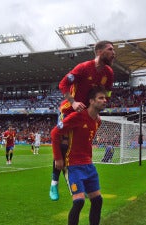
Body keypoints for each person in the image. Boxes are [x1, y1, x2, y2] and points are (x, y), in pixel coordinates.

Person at [49, 40, 115, 201]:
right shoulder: (83, 68)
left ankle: (80, 185)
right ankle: (54, 182)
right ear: (99, 52)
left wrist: (99, 108)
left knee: (83, 147)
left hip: (87, 113)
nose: (114, 52)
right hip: (70, 110)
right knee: (62, 145)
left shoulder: (109, 73)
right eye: (110, 49)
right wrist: (73, 102)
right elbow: (63, 84)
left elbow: (108, 92)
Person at [51, 87, 108, 225]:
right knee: (79, 201)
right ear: (91, 101)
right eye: (101, 98)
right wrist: (58, 159)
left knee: (98, 201)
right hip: (73, 165)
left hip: (89, 165)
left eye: (105, 98)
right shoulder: (77, 116)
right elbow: (55, 133)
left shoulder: (97, 121)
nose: (105, 100)